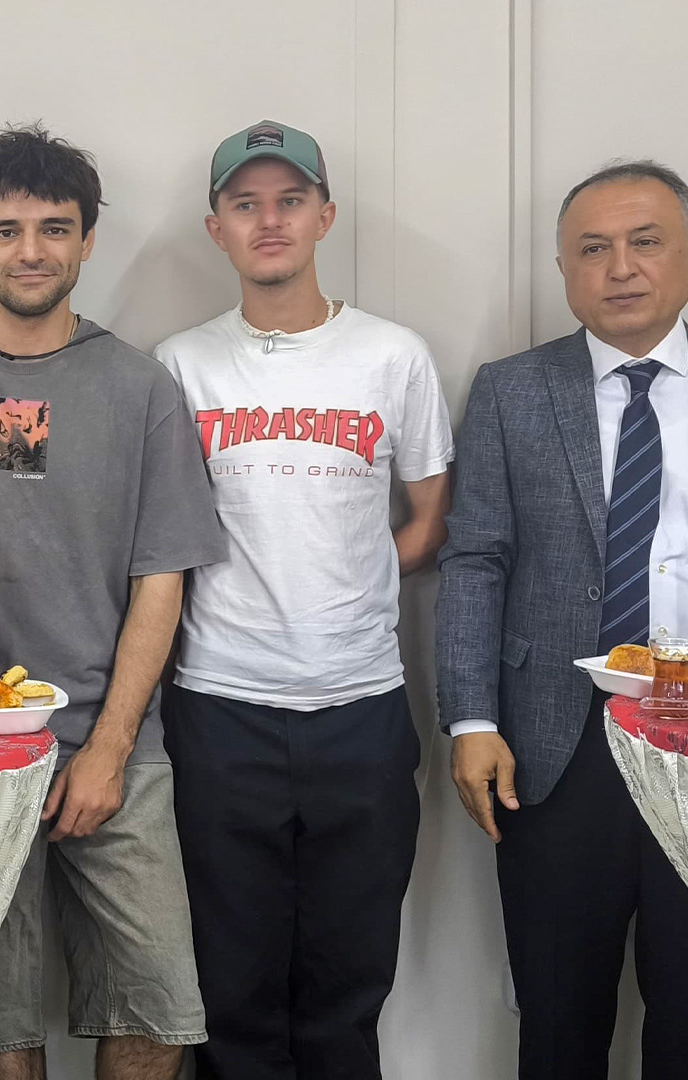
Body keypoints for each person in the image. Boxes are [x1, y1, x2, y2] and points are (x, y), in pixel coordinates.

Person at [437, 160, 688, 1079]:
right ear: (563, 268)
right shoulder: (513, 390)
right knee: (557, 1015)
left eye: (645, 242)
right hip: (556, 741)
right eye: (593, 249)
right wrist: (471, 719)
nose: (620, 267)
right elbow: (475, 561)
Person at [0, 124, 224, 1080]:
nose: (31, 250)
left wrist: (109, 748)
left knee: (158, 1008)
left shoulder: (142, 388)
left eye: (55, 228)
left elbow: (162, 579)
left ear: (87, 241)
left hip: (114, 744)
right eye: (7, 229)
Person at [153, 120, 452, 1079]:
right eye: (246, 205)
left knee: (346, 987)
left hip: (360, 711)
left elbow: (430, 519)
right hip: (219, 711)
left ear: (326, 215)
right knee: (229, 990)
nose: (269, 220)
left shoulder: (394, 357)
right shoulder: (180, 364)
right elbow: (156, 540)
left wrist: (351, 588)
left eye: (290, 200)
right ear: (217, 229)